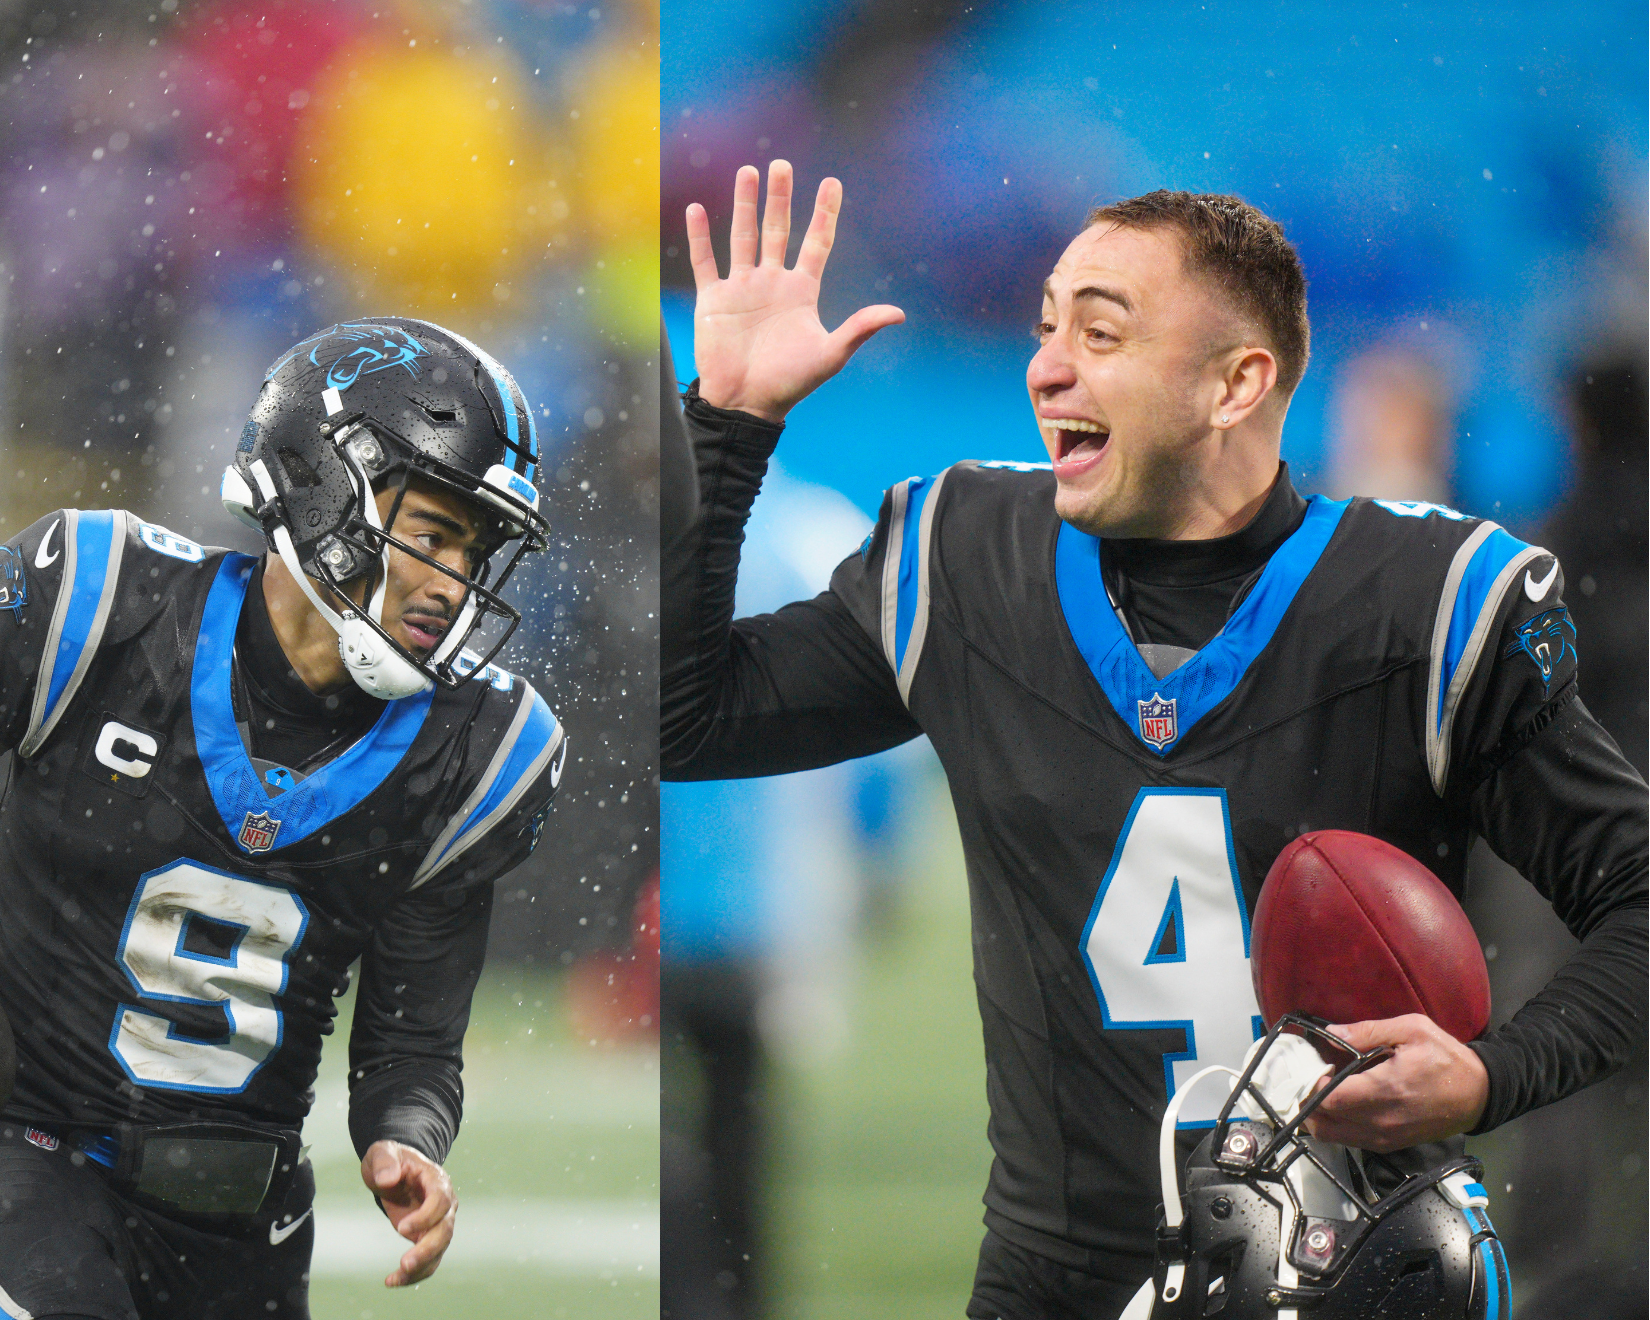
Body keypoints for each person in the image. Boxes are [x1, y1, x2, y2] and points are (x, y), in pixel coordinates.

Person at [660, 163, 1646, 1320]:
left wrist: (1490, 1074)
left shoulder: (1422, 605)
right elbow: (688, 720)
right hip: (1050, 1283)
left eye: (1102, 331)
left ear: (1237, 383)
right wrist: (729, 428)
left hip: (1350, 1273)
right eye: (1043, 327)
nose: (1047, 365)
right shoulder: (964, 561)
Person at [0, 318, 567, 1319]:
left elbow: (413, 1033)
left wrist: (405, 1134)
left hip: (240, 1218)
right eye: (431, 533)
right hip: (22, 1152)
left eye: (472, 549)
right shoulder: (102, 613)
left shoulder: (477, 753)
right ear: (321, 487)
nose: (450, 582)